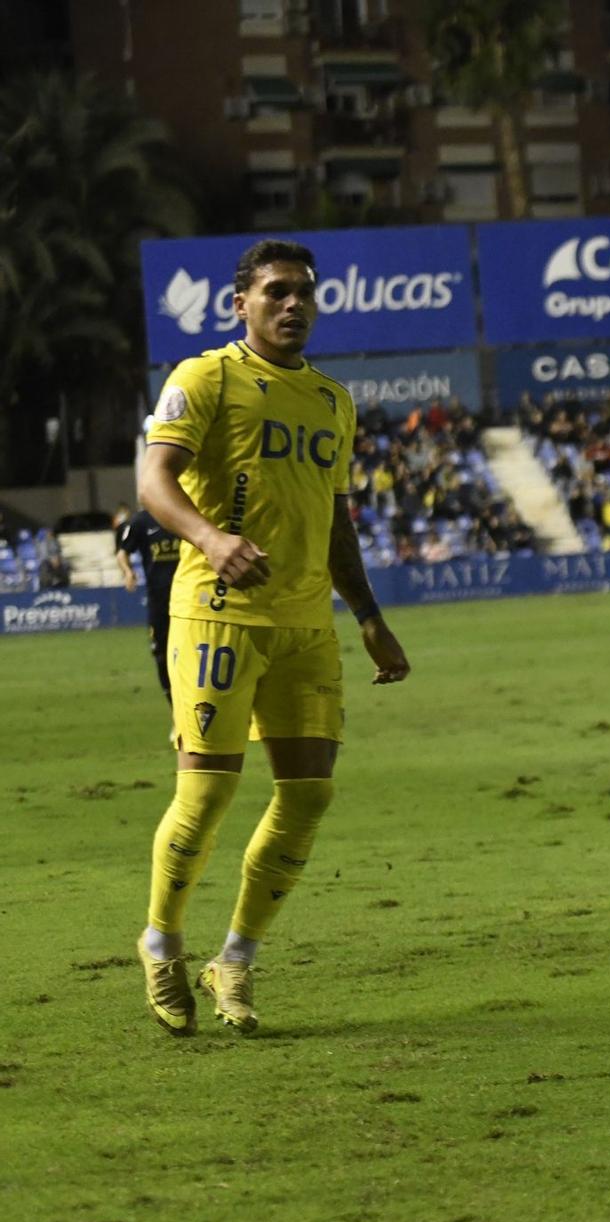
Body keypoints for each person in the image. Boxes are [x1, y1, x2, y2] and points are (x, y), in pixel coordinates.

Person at [135, 237, 411, 1038]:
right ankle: (161, 939)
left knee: (309, 793)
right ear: (242, 304)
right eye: (277, 292)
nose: (294, 305)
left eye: (305, 294)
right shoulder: (206, 376)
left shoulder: (332, 400)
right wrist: (211, 538)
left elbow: (335, 520)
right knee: (208, 791)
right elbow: (153, 480)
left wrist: (368, 615)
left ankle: (237, 959)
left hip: (304, 625)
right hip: (216, 612)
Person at [114, 501, 183, 707]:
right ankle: (177, 713)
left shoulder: (183, 513)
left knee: (194, 655)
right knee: (161, 656)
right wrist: (127, 571)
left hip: (189, 599)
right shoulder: (141, 521)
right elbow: (122, 552)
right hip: (159, 603)